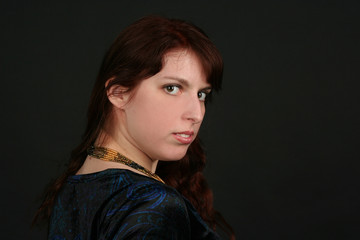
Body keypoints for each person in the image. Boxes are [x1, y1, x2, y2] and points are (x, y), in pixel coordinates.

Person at [35, 15, 234, 239]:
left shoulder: (74, 188)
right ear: (118, 92)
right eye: (172, 88)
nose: (196, 114)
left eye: (201, 94)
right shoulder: (154, 205)